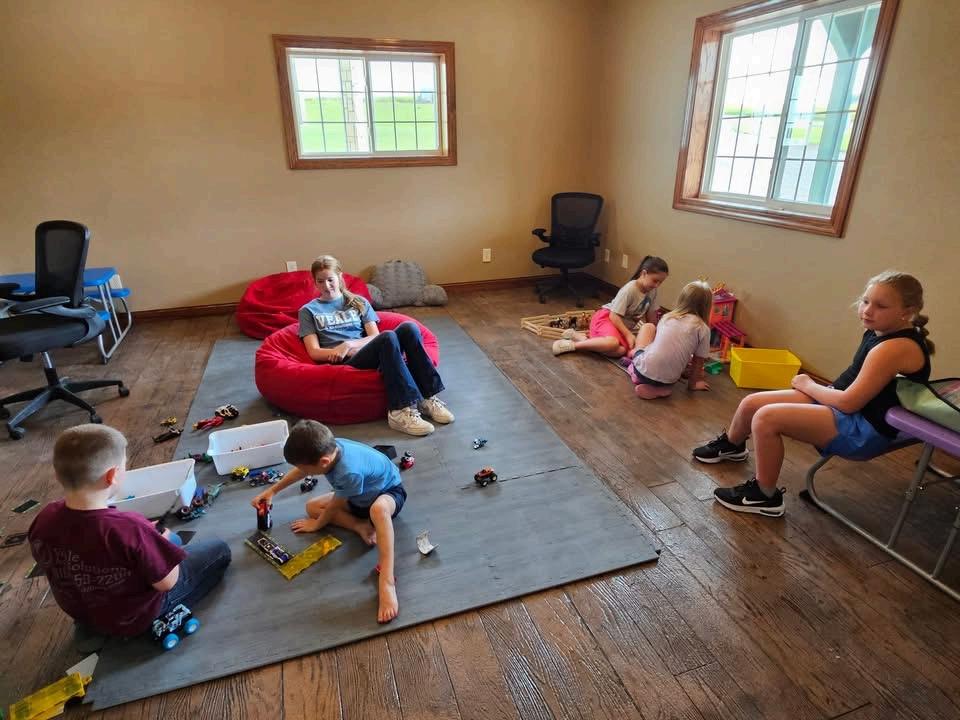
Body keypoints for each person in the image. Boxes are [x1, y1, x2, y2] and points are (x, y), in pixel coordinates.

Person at [693, 271, 933, 518]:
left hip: (865, 428)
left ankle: (764, 496)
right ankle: (732, 446)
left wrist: (809, 385)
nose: (867, 311)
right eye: (865, 301)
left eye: (880, 306)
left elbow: (849, 403)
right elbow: (851, 383)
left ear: (907, 311)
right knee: (752, 403)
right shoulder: (878, 331)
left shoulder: (894, 348)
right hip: (847, 405)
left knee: (766, 419)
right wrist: (819, 391)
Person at [28, 424, 232, 650]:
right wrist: (160, 542)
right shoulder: (129, 528)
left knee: (165, 546)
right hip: (134, 615)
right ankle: (145, 623)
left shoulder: (44, 518)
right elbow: (167, 583)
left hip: (82, 609)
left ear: (57, 475)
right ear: (112, 476)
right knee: (219, 550)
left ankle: (92, 627)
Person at [251, 420, 405, 623]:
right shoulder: (329, 446)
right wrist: (272, 490)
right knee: (312, 507)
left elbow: (334, 506)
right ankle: (360, 525)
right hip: (357, 497)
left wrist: (317, 525)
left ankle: (387, 580)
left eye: (305, 468)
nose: (303, 471)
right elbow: (303, 471)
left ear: (323, 462)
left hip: (388, 494)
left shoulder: (348, 471)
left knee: (378, 510)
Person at [299, 255, 453, 437]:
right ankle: (398, 411)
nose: (326, 285)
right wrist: (338, 352)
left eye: (330, 279)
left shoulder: (358, 302)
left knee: (409, 328)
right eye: (321, 281)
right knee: (388, 337)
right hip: (344, 361)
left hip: (363, 351)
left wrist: (349, 344)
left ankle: (428, 398)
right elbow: (314, 351)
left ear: (339, 277)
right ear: (314, 282)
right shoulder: (308, 311)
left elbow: (374, 336)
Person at [552, 255, 668, 358]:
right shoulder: (630, 289)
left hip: (620, 327)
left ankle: (582, 338)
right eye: (655, 280)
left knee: (620, 351)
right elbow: (613, 316)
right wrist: (628, 335)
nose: (657, 285)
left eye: (660, 282)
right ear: (644, 274)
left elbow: (651, 319)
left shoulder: (652, 292)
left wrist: (658, 337)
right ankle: (572, 345)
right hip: (607, 318)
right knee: (612, 344)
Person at [628, 280, 713, 399]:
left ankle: (635, 367)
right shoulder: (703, 329)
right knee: (678, 366)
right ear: (707, 306)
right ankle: (660, 390)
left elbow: (659, 343)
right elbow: (698, 362)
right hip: (668, 381)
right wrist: (693, 384)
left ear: (682, 299)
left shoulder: (667, 317)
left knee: (648, 327)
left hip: (642, 369)